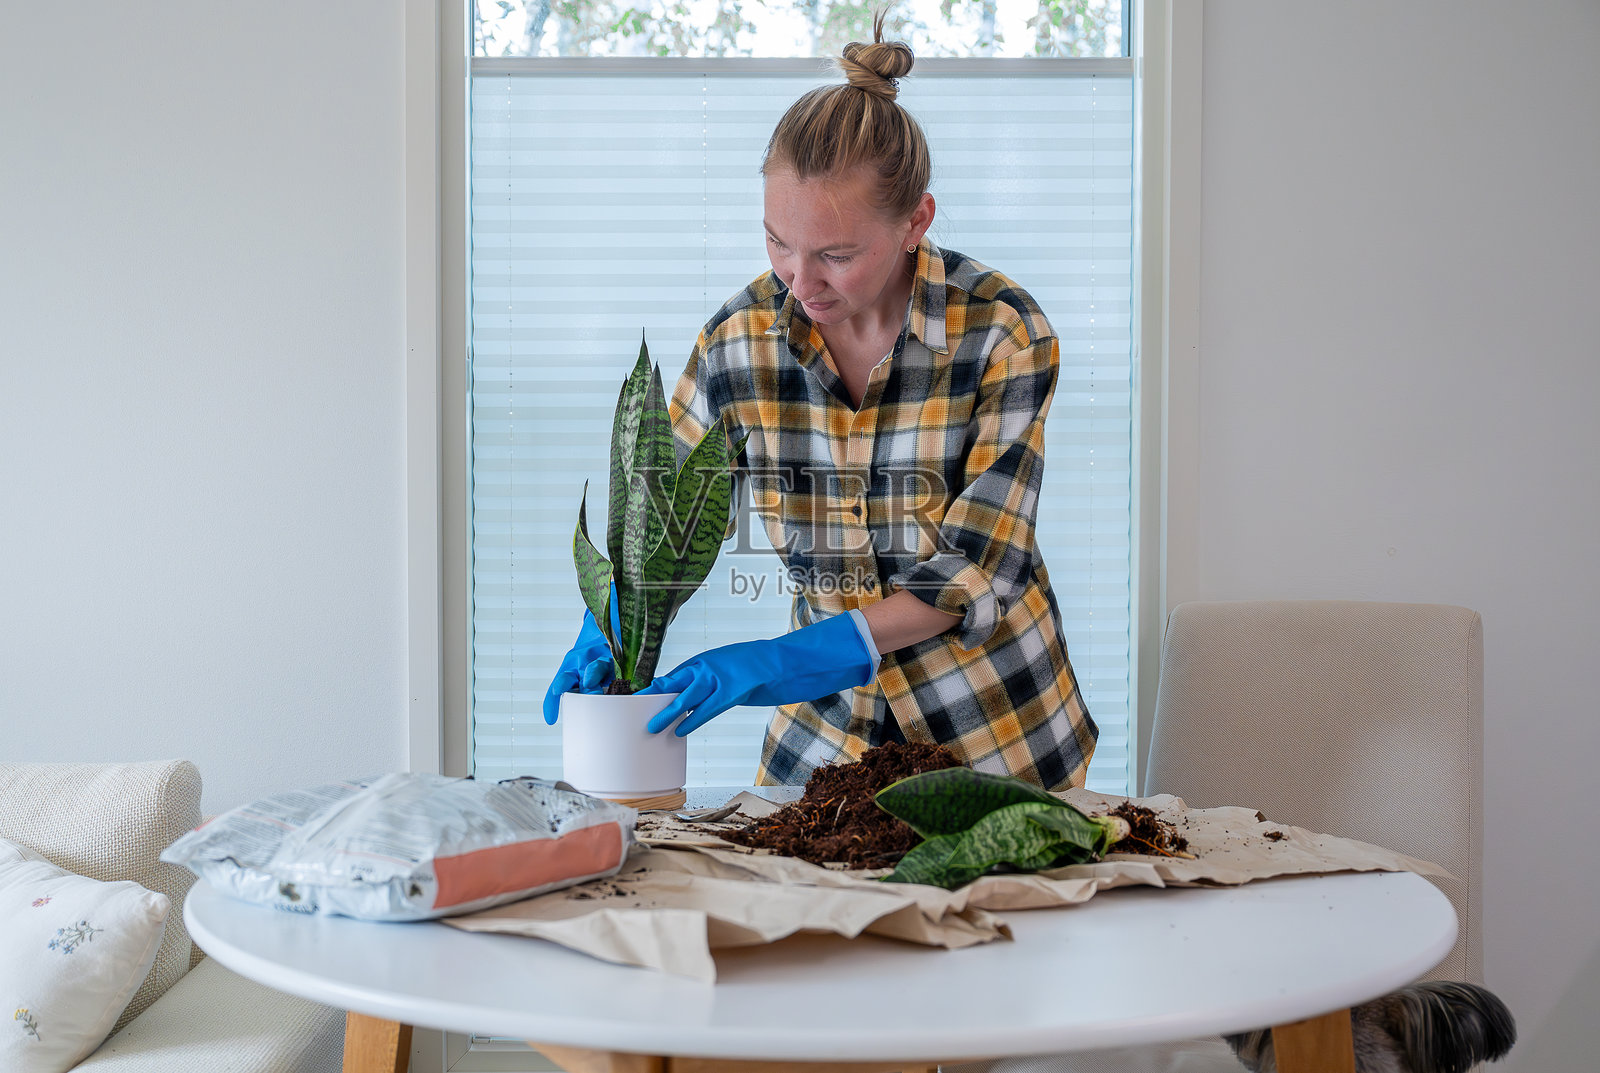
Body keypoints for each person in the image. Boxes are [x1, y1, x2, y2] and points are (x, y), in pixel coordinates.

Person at [545, 14, 1096, 791]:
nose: (799, 284)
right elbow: (661, 521)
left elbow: (977, 568)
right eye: (778, 242)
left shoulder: (1002, 331)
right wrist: (607, 623)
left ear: (916, 221)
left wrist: (786, 659)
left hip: (996, 732)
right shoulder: (737, 344)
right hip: (825, 739)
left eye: (836, 255)